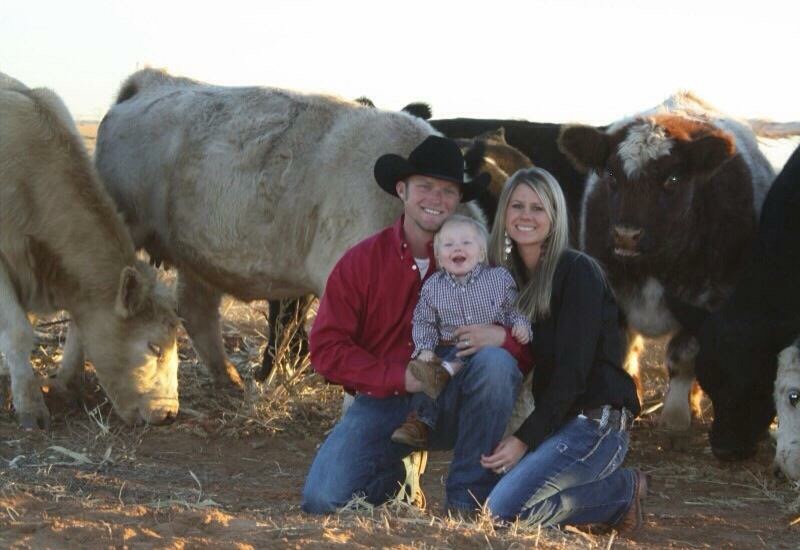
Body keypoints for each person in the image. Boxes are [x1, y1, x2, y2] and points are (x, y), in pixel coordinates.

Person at [301, 136, 530, 515]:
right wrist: (400, 377)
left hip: (457, 400)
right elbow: (326, 349)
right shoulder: (361, 262)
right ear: (401, 190)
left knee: (496, 363)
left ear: (458, 200)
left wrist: (502, 336)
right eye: (424, 186)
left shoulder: (480, 263)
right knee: (323, 498)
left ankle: (467, 500)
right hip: (385, 401)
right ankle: (395, 481)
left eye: (448, 190)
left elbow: (524, 344)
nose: (435, 198)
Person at [476, 167, 646, 531]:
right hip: (558, 425)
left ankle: (622, 492)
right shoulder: (510, 280)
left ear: (555, 217)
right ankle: (592, 500)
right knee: (499, 503)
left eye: (538, 208)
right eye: (517, 206)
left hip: (596, 425)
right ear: (503, 213)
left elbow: (572, 374)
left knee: (501, 513)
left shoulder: (578, 271)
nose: (526, 216)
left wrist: (523, 440)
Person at [391, 214, 531, 449]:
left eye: (466, 243)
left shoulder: (498, 279)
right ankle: (418, 423)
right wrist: (424, 348)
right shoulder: (433, 287)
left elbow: (515, 308)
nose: (458, 248)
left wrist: (521, 325)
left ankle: (447, 382)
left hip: (484, 350)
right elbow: (424, 321)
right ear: (438, 257)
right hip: (448, 347)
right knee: (425, 373)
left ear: (482, 253)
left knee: (487, 363)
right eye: (448, 245)